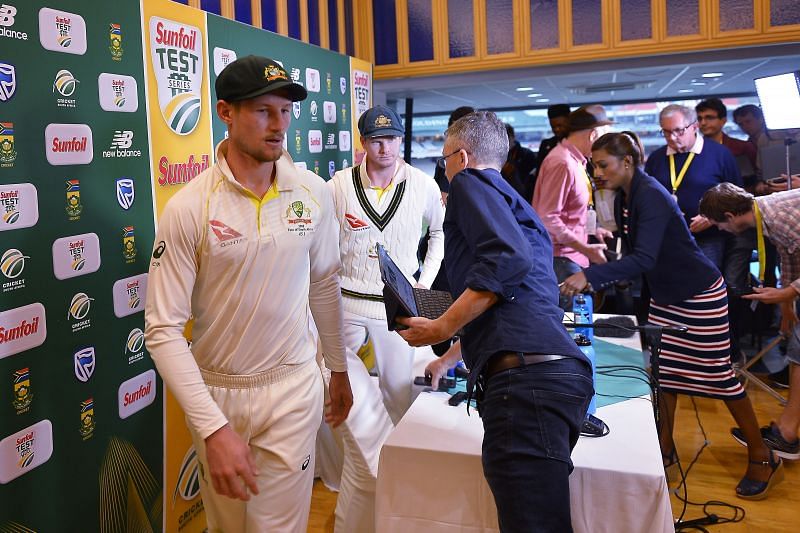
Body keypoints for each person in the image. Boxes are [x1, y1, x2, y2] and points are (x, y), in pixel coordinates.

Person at [144, 55, 353, 532]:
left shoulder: (313, 193)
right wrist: (213, 427)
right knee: (229, 527)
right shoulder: (188, 209)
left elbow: (323, 283)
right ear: (226, 112)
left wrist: (338, 368)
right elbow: (162, 330)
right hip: (220, 393)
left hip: (294, 385)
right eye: (263, 111)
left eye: (285, 111)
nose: (279, 125)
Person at [397, 110, 593, 532]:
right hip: (553, 374)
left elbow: (506, 260)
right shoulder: (513, 201)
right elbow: (502, 288)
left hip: (525, 383)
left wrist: (442, 326)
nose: (444, 170)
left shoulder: (469, 182)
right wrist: (436, 325)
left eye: (444, 160)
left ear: (462, 157)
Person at [561, 132, 782, 500]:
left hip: (698, 295)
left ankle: (761, 455)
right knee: (666, 377)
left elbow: (645, 258)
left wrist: (591, 275)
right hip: (666, 295)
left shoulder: (651, 195)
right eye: (593, 164)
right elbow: (638, 254)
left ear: (627, 162)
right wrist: (604, 265)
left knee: (719, 376)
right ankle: (663, 450)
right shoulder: (624, 197)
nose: (596, 171)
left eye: (602, 164)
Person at [327, 104, 444, 532]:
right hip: (345, 302)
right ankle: (352, 476)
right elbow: (322, 239)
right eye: (377, 139)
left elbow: (439, 233)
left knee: (400, 392)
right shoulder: (339, 185)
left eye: (392, 138)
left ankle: (406, 477)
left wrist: (422, 284)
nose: (386, 147)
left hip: (398, 304)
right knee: (338, 391)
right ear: (362, 144)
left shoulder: (423, 184)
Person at [699, 183, 800, 461]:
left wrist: (787, 292)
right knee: (797, 352)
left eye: (719, 224)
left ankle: (787, 434)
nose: (720, 230)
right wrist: (787, 303)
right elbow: (791, 254)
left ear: (730, 216)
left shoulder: (778, 217)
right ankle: (786, 432)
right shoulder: (765, 216)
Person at [532, 104, 613, 309]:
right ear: (594, 134)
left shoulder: (578, 160)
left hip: (572, 257)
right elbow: (548, 218)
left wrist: (593, 229)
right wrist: (584, 247)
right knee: (571, 330)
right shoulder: (562, 162)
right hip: (560, 260)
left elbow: (570, 211)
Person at [532, 103, 571, 188]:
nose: (557, 129)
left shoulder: (578, 144)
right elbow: (539, 173)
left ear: (569, 121)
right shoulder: (546, 145)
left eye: (560, 125)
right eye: (553, 127)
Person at [501, 123, 537, 201]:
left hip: (524, 197)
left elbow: (531, 181)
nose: (504, 143)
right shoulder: (495, 156)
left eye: (506, 138)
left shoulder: (527, 155)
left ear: (513, 136)